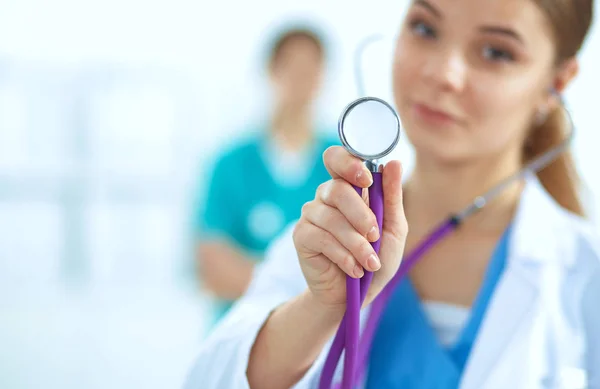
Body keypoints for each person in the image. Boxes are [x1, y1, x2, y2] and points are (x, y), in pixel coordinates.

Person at [185, 0, 600, 387]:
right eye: (424, 28)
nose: (443, 73)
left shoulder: (584, 272)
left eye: (496, 52)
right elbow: (211, 376)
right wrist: (321, 306)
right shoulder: (329, 234)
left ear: (556, 82)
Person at [194, 23, 338, 326]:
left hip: (318, 346)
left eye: (311, 69)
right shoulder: (230, 164)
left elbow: (356, 267)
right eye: (293, 67)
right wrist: (308, 285)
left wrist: (257, 274)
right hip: (238, 334)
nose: (302, 80)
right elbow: (213, 268)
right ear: (272, 71)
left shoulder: (342, 163)